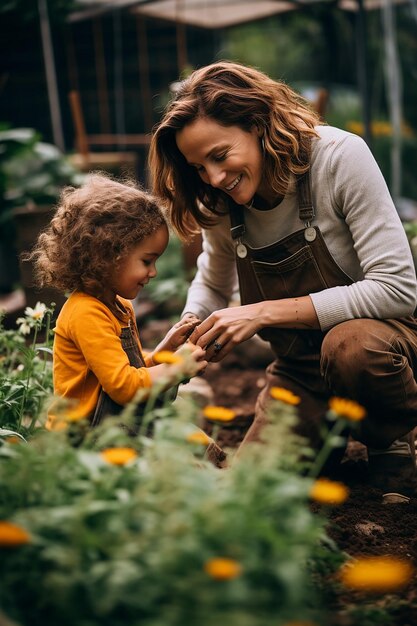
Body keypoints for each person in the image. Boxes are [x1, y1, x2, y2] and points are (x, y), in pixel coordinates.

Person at [149, 60, 417, 503]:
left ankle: (388, 437)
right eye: (199, 167)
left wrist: (262, 312)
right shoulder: (223, 198)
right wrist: (192, 324)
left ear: (257, 124)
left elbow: (397, 287)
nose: (214, 177)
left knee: (351, 347)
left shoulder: (337, 158)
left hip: (382, 344)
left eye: (220, 156)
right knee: (254, 489)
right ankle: (324, 432)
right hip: (299, 370)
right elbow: (213, 283)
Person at [29, 173, 207, 431]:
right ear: (108, 254)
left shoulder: (118, 305)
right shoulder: (86, 312)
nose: (153, 272)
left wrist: (164, 352)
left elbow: (127, 371)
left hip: (112, 429)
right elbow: (125, 388)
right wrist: (178, 368)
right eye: (147, 261)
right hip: (82, 439)